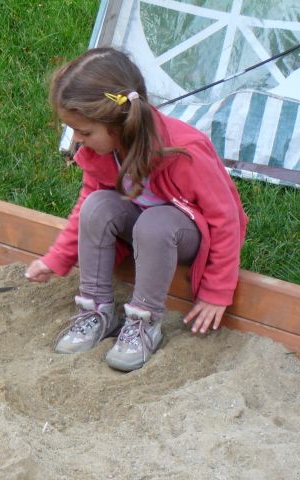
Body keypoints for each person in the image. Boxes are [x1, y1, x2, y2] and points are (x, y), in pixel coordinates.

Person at [25, 48, 247, 371]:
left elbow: (227, 220)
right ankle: (96, 311)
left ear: (117, 123)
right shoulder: (101, 152)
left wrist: (217, 291)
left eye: (85, 132)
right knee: (97, 206)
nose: (77, 140)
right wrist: (57, 258)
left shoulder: (184, 152)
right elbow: (85, 206)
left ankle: (144, 321)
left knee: (154, 223)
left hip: (183, 234)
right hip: (143, 226)